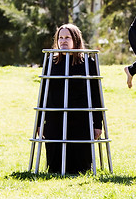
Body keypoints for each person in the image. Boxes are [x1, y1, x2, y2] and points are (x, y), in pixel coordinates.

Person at [38, 23, 103, 174]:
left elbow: (96, 94)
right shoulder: (51, 61)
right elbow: (44, 94)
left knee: (80, 167)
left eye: (67, 37)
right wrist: (41, 122)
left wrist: (97, 123)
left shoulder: (87, 62)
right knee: (54, 168)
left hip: (80, 118)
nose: (63, 41)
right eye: (60, 38)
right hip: (55, 118)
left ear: (76, 39)